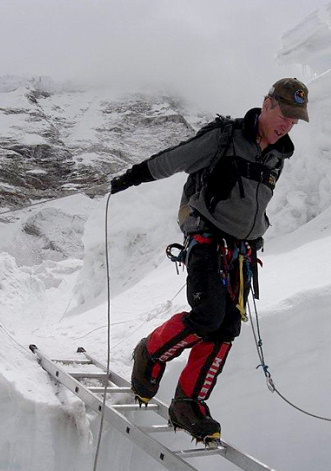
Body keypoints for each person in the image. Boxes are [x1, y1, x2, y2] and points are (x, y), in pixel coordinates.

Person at [110, 78, 309, 444]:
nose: (288, 125)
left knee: (226, 326)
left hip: (241, 254)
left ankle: (188, 402)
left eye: (295, 121)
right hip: (206, 240)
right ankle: (150, 353)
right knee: (206, 315)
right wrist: (133, 177)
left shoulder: (277, 156)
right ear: (267, 104)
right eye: (284, 115)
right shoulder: (224, 138)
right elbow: (175, 158)